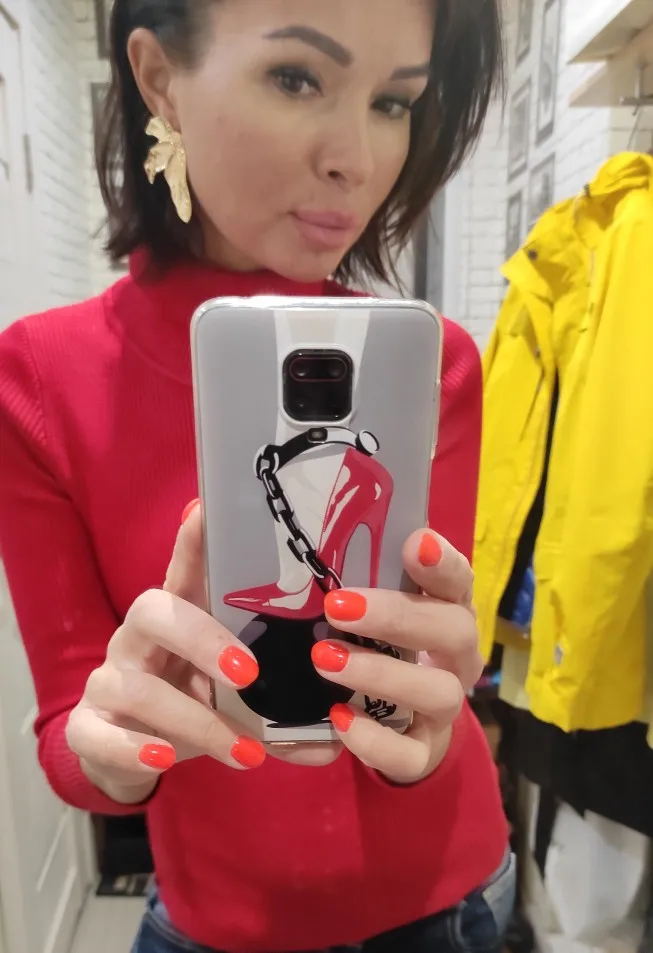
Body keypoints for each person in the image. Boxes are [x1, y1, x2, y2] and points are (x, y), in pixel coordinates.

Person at [0, 2, 512, 951]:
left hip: (450, 900)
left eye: (394, 103)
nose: (357, 159)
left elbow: (428, 676)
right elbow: (72, 735)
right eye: (296, 77)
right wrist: (112, 745)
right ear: (159, 79)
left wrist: (432, 710)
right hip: (215, 922)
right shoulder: (39, 379)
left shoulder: (427, 365)